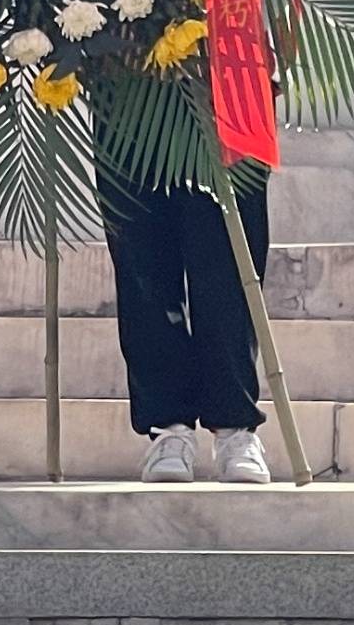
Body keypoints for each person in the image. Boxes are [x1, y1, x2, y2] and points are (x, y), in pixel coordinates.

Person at [103, 162, 275, 483]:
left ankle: (234, 427)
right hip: (130, 116)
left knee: (229, 261)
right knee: (143, 257)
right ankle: (169, 427)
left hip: (227, 115)